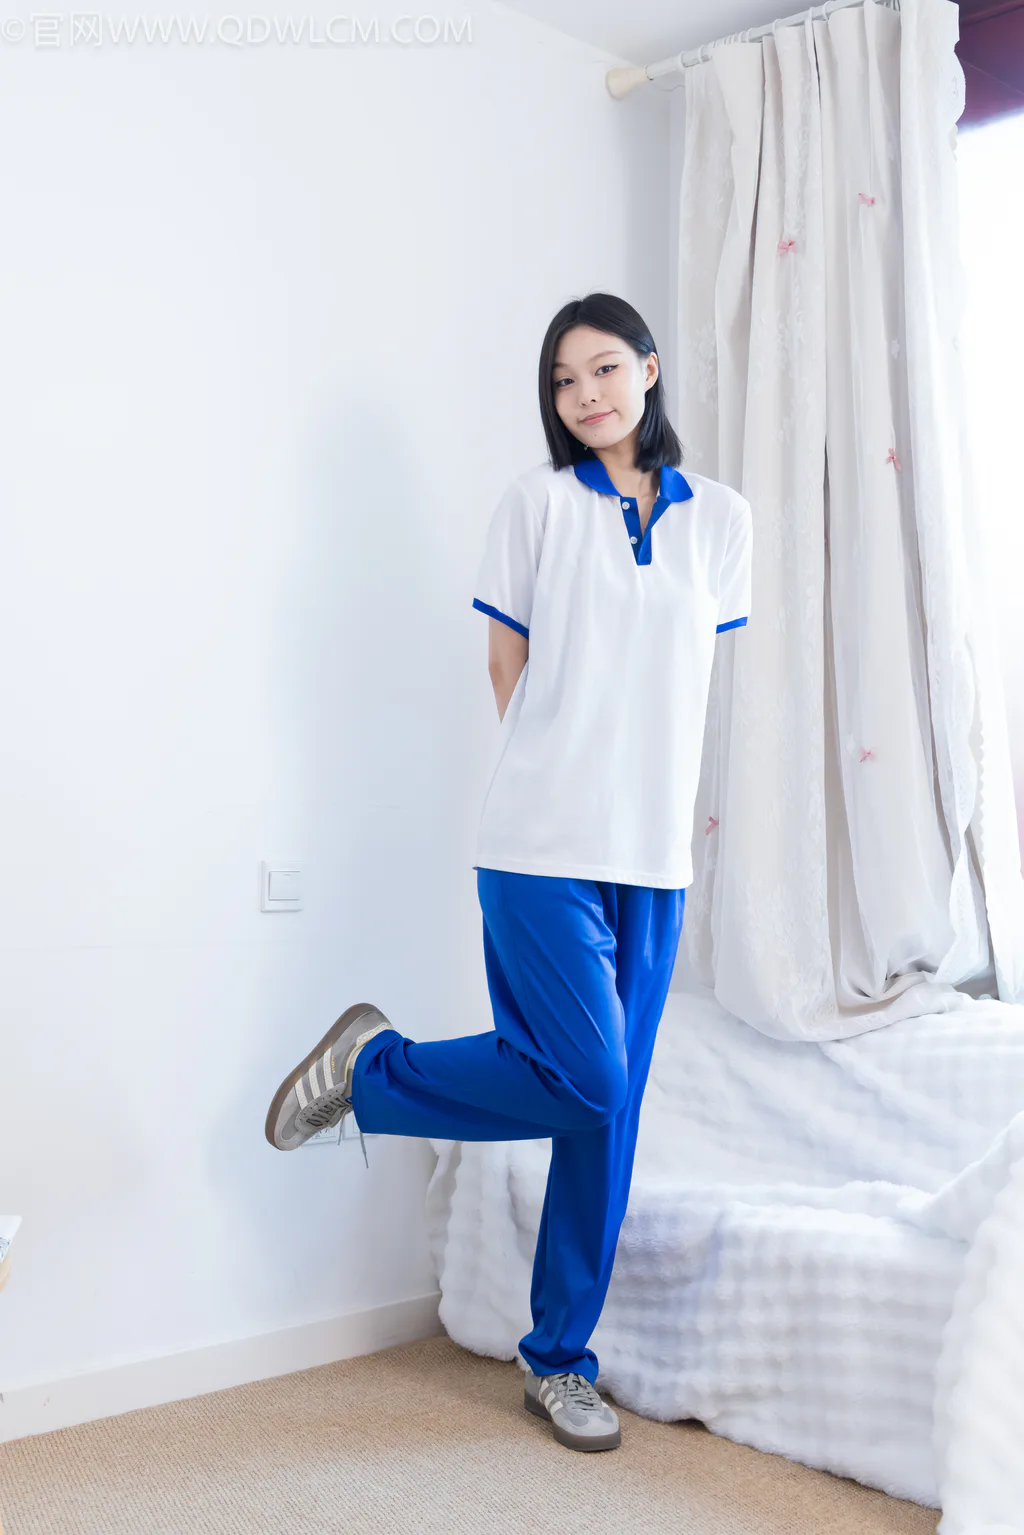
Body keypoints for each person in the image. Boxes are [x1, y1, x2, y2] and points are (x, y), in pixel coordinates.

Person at [265, 291, 753, 1455]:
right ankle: (372, 1071)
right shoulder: (534, 505)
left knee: (604, 1114)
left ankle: (557, 1357)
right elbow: (506, 669)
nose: (584, 395)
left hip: (654, 859)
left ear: (648, 367)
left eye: (603, 369)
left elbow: (689, 682)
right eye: (562, 381)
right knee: (586, 1075)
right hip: (541, 842)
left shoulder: (723, 519)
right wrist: (561, 787)